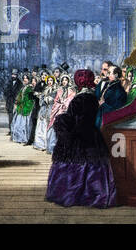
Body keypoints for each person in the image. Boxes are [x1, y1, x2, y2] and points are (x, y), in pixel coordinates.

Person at [44, 70, 116, 209]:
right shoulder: (92, 97)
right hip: (91, 134)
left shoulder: (80, 98)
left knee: (74, 165)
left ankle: (74, 196)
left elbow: (75, 119)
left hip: (78, 135)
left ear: (79, 81)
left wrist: (61, 120)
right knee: (92, 167)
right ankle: (90, 195)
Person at [96, 63, 129, 128]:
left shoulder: (120, 91)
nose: (107, 75)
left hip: (108, 123)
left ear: (116, 75)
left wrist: (103, 104)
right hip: (100, 118)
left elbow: (117, 110)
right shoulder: (107, 85)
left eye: (109, 73)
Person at [10, 73, 38, 145]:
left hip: (27, 108)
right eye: (24, 78)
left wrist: (25, 105)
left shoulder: (30, 88)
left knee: (24, 125)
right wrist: (17, 103)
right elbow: (19, 97)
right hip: (21, 107)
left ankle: (24, 138)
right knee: (17, 124)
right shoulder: (23, 88)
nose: (25, 80)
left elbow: (31, 99)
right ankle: (19, 138)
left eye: (26, 78)